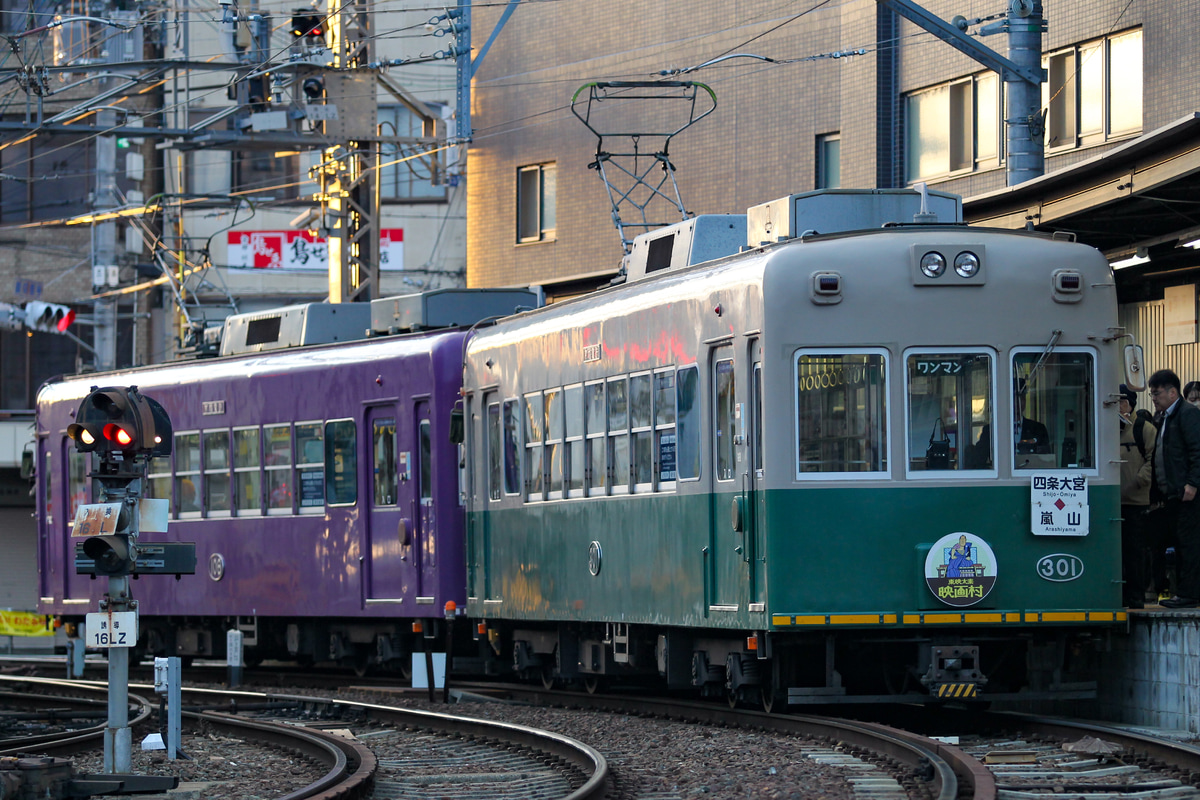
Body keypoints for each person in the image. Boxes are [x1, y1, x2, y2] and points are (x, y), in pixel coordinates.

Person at [1148, 369, 1200, 608]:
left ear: (1172, 392)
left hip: (1187, 494)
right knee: (1178, 542)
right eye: (1152, 394)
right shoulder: (1164, 417)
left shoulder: (1187, 414)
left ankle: (1189, 593)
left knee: (1188, 543)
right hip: (1171, 494)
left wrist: (1192, 483)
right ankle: (1183, 590)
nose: (1154, 398)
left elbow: (1197, 451)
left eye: (1157, 393)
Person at [1118, 384, 1156, 608]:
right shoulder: (1106, 428)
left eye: (1120, 401)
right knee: (1118, 551)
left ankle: (1136, 596)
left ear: (1128, 403)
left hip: (1136, 501)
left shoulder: (1145, 429)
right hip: (1112, 501)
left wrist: (1137, 482)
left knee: (1135, 550)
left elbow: (1154, 461)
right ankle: (1120, 594)